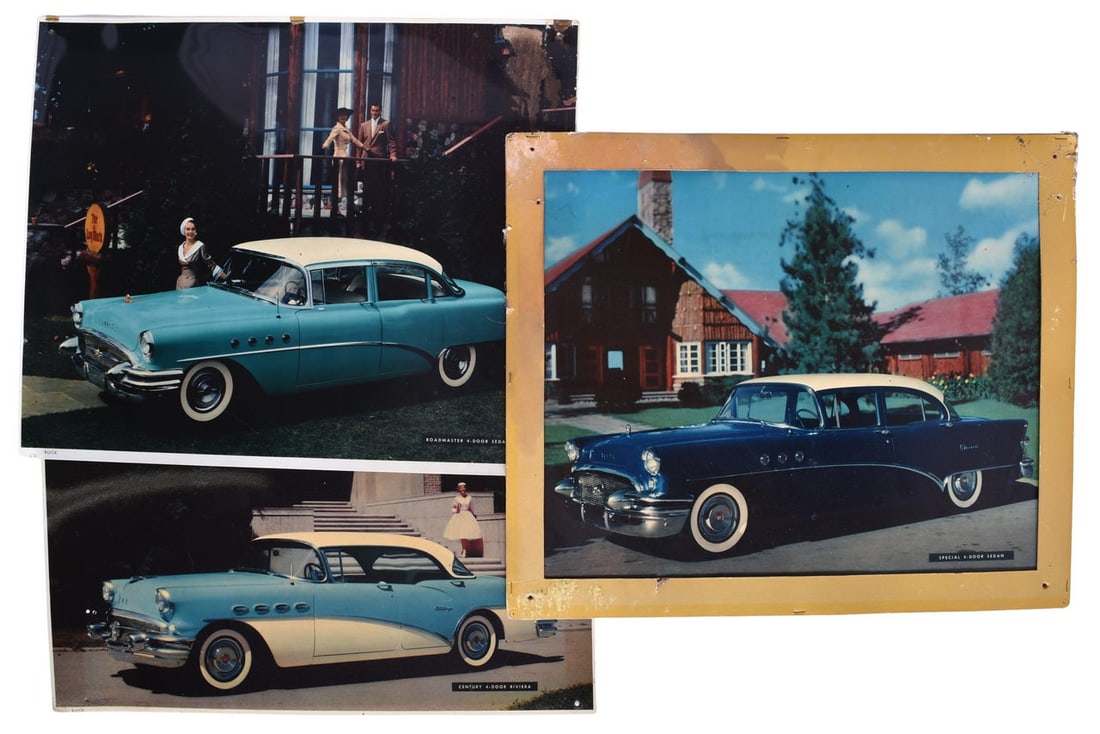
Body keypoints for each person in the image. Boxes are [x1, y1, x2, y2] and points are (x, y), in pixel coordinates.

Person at [356, 103, 398, 233]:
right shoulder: (364, 125)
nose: (374, 113)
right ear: (370, 111)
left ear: (380, 111)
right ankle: (364, 225)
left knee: (378, 193)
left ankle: (378, 225)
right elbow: (359, 143)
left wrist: (393, 155)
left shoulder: (386, 124)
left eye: (377, 111)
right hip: (366, 161)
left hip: (379, 162)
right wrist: (358, 160)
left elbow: (391, 141)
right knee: (366, 192)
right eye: (372, 110)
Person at [320, 107, 365, 215]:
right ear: (337, 117)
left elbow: (354, 140)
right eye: (341, 115)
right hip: (338, 157)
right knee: (339, 182)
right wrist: (325, 146)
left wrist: (365, 147)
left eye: (345, 115)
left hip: (345, 157)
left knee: (344, 182)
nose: (343, 117)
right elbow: (329, 139)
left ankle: (341, 206)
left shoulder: (346, 129)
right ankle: (335, 206)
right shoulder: (337, 128)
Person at [175, 217, 225, 289]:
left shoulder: (200, 246)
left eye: (193, 229)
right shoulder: (180, 247)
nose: (190, 232)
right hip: (180, 284)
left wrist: (226, 277)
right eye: (188, 229)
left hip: (192, 284)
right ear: (184, 231)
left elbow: (210, 264)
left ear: (196, 231)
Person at [442, 481, 483, 558]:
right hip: (460, 515)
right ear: (459, 490)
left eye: (464, 489)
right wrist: (457, 508)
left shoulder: (469, 497)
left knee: (468, 533)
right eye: (461, 490)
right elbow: (453, 509)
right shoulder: (457, 498)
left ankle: (466, 550)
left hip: (468, 516)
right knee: (462, 534)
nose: (463, 491)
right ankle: (464, 550)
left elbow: (471, 508)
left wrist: (473, 515)